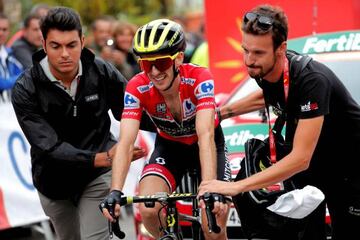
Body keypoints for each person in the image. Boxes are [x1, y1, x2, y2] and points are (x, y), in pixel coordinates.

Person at [198, 4, 360, 240]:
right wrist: (222, 112)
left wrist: (236, 187)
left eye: (258, 53)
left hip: (350, 170)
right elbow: (269, 94)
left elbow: (300, 159)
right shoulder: (269, 70)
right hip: (317, 167)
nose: (249, 60)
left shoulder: (312, 80)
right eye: (246, 50)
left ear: (281, 48)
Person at [11, 7, 146, 240]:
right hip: (53, 181)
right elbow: (49, 146)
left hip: (98, 176)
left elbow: (132, 110)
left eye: (71, 45)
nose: (65, 54)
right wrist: (102, 158)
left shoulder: (101, 70)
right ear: (43, 45)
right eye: (56, 46)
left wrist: (178, 125)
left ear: (82, 41)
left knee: (95, 237)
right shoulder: (26, 87)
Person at [99, 19, 231, 240]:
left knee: (212, 225)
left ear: (178, 58)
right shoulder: (137, 87)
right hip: (170, 148)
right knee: (149, 208)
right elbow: (125, 143)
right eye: (145, 64)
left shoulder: (200, 78)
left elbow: (205, 135)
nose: (153, 71)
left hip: (207, 145)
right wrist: (115, 191)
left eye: (160, 63)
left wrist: (209, 187)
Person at [0, 13, 23, 101]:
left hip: (10, 110)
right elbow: (2, 84)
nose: (1, 33)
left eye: (4, 29)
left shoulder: (10, 54)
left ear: (9, 31)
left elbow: (24, 77)